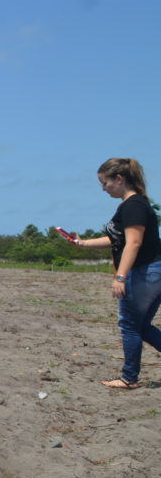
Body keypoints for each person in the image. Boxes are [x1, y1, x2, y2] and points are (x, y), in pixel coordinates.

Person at [67, 158, 160, 390]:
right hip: (150, 272)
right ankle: (130, 376)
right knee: (142, 327)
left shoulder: (134, 205)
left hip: (143, 272)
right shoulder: (131, 205)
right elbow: (116, 239)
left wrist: (120, 277)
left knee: (129, 325)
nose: (103, 189)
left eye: (105, 183)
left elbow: (133, 243)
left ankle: (129, 378)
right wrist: (83, 243)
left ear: (119, 179)